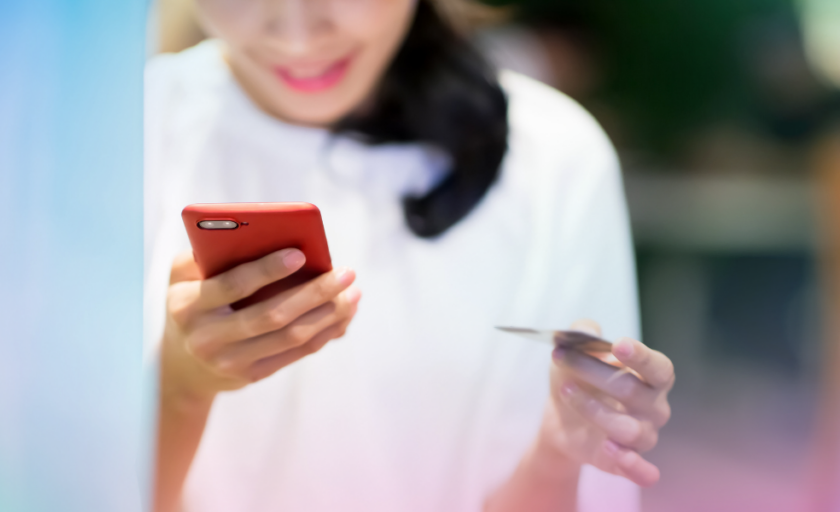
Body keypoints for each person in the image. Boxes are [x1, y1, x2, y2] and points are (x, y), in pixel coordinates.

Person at [144, 1, 676, 511]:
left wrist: (557, 460)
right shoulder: (122, 126)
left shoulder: (553, 159)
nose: (297, 34)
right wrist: (180, 390)